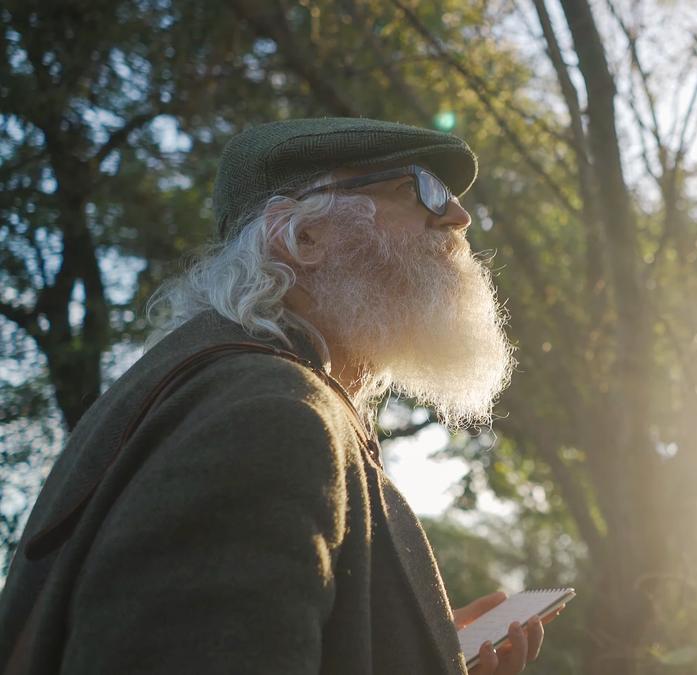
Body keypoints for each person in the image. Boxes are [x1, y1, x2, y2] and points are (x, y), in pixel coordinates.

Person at [0, 118, 547, 674]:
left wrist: (402, 650)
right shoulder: (268, 413)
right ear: (303, 237)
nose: (459, 216)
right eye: (417, 188)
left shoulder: (231, 388)